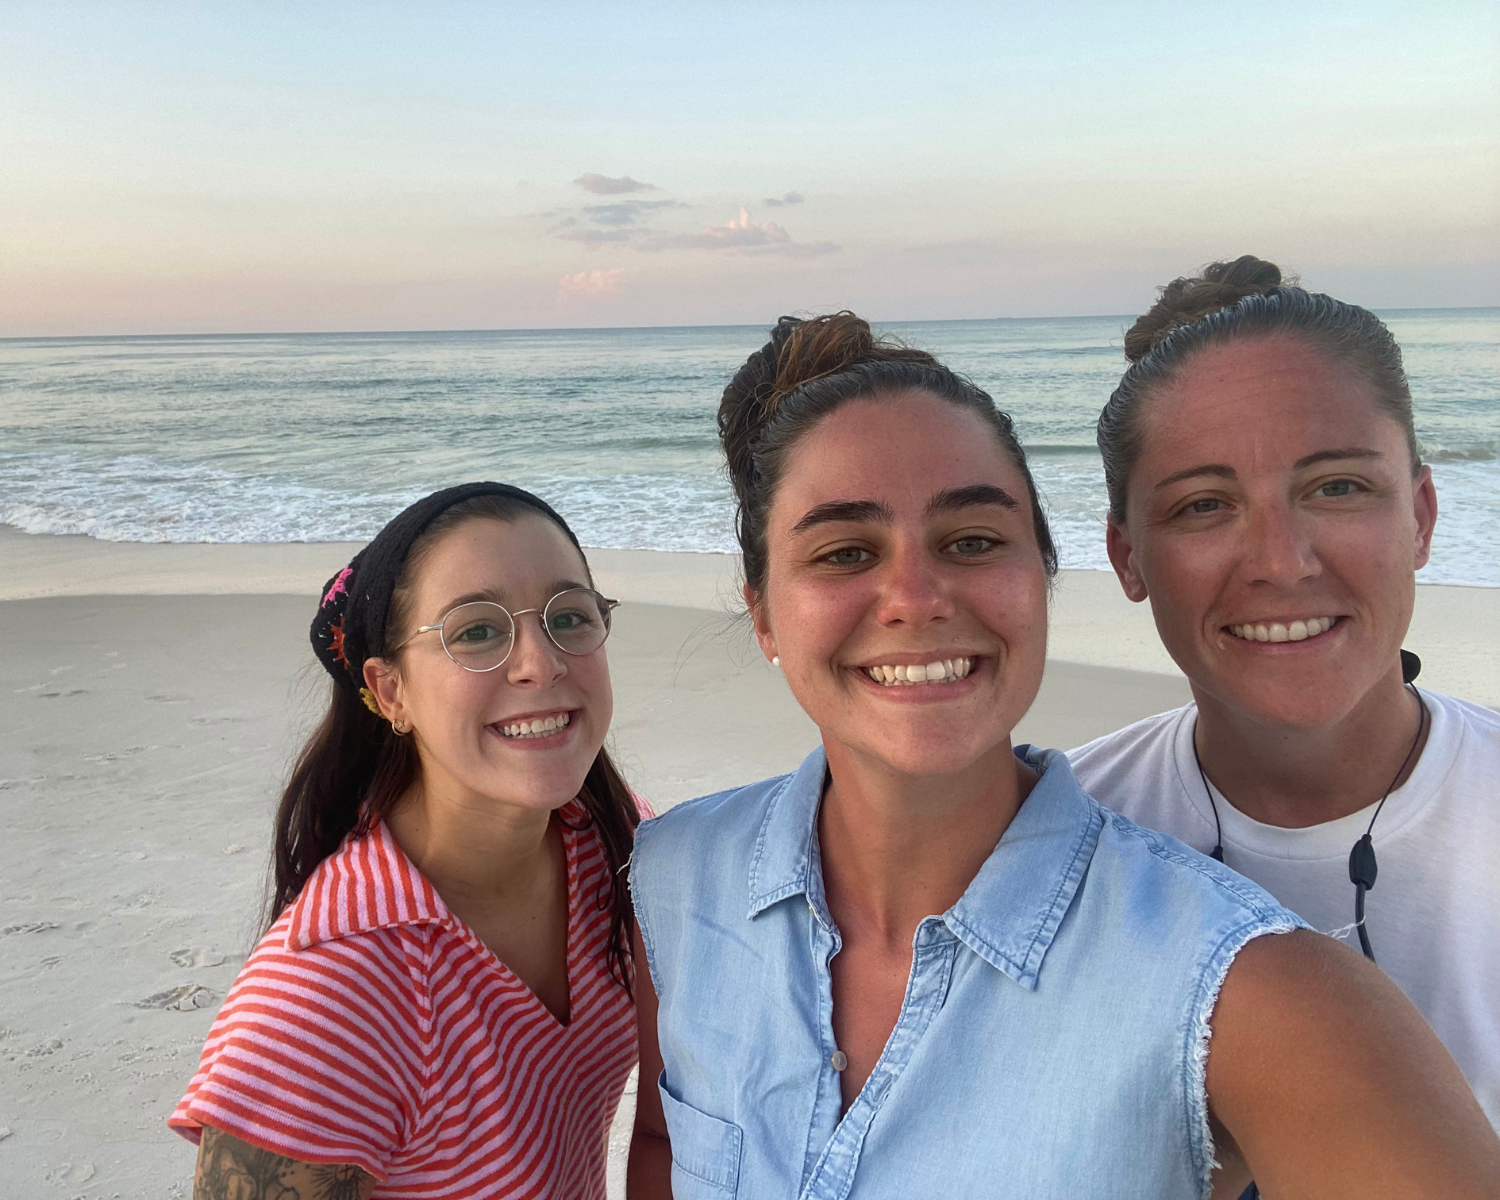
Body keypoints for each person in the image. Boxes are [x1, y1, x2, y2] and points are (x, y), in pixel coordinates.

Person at [625, 313, 1500, 1200]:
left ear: (1044, 576)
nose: (917, 600)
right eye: (844, 552)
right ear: (764, 612)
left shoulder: (1251, 988)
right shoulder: (679, 875)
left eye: (972, 541)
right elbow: (664, 1143)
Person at [1069, 257, 1500, 1136]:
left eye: (1337, 487)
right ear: (1126, 557)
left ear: (1419, 515)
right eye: (1203, 505)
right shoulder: (1062, 843)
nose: (1282, 560)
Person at [170, 483, 643, 1199]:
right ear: (390, 692)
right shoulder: (326, 995)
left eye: (569, 616)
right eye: (477, 630)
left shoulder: (605, 841)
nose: (541, 664)